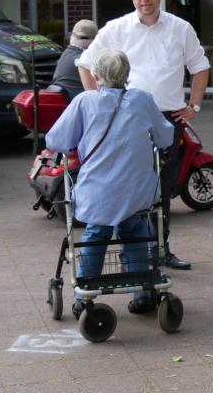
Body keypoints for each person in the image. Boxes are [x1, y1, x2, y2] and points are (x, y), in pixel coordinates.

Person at [77, 0, 209, 270]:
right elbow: (85, 63)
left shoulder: (180, 28)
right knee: (132, 185)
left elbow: (200, 67)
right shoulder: (116, 29)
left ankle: (161, 250)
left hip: (167, 118)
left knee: (163, 187)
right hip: (128, 119)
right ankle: (136, 253)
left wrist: (194, 106)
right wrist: (99, 104)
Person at [45, 49, 175, 317]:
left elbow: (56, 141)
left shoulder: (85, 102)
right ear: (127, 74)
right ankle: (142, 289)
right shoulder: (142, 100)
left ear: (95, 75)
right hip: (138, 192)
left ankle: (85, 292)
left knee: (96, 231)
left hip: (98, 194)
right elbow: (165, 138)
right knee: (136, 226)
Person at [51, 20, 98, 100]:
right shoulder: (84, 61)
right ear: (94, 41)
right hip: (81, 106)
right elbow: (97, 91)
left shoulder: (66, 54)